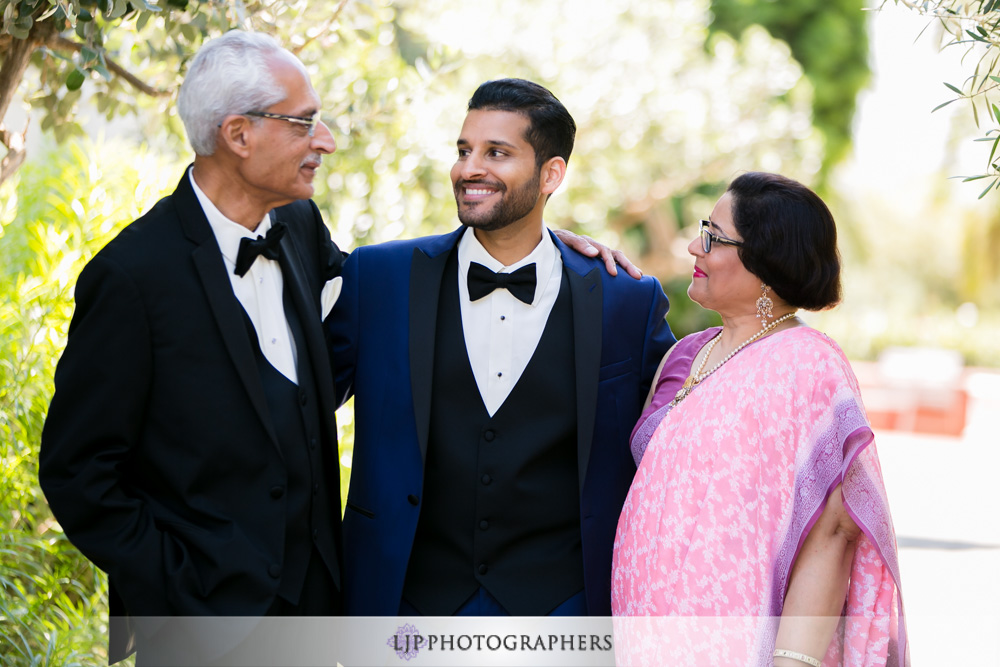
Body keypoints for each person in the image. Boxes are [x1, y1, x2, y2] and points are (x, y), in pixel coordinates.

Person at [38, 31, 346, 663]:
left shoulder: (300, 225)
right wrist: (178, 588)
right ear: (239, 135)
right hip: (201, 631)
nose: (325, 141)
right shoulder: (131, 277)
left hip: (317, 621)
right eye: (305, 123)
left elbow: (379, 300)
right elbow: (78, 470)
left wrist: (538, 241)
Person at [327, 78, 676, 616]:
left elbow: (676, 443)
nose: (470, 168)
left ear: (551, 174)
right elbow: (297, 404)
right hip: (407, 604)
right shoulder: (378, 278)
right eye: (464, 151)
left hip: (564, 609)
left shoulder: (625, 300)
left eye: (497, 153)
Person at [611, 172, 907, 666]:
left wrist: (794, 660)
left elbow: (834, 532)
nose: (692, 246)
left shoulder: (807, 363)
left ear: (766, 260)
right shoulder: (687, 355)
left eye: (712, 237)